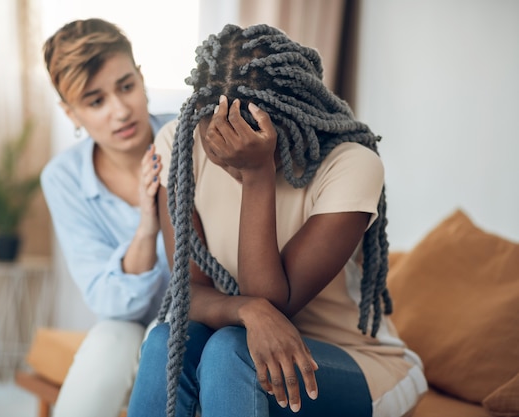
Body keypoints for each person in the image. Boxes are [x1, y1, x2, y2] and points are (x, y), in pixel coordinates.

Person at [127, 23, 427, 417]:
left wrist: (257, 176)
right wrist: (247, 311)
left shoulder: (351, 165)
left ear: (293, 120)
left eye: (248, 141)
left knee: (230, 351)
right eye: (216, 139)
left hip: (353, 360)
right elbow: (189, 295)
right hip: (238, 340)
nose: (229, 154)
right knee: (169, 340)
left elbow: (274, 303)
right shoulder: (179, 143)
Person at [40, 18, 176, 417]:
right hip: (125, 325)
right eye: (96, 101)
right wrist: (146, 230)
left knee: (165, 342)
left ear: (142, 78)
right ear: (71, 114)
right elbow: (108, 301)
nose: (120, 111)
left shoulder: (188, 135)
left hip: (203, 316)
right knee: (109, 342)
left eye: (127, 87)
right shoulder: (63, 177)